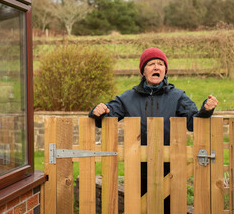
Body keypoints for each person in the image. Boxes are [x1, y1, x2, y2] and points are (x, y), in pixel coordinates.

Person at [89, 47, 218, 213]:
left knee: (170, 208)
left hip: (171, 167)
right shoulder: (128, 98)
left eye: (160, 64)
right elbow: (107, 115)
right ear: (143, 71)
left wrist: (206, 111)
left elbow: (194, 122)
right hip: (137, 166)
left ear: (165, 70)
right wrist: (97, 111)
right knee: (139, 208)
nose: (156, 67)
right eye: (151, 64)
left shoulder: (178, 96)